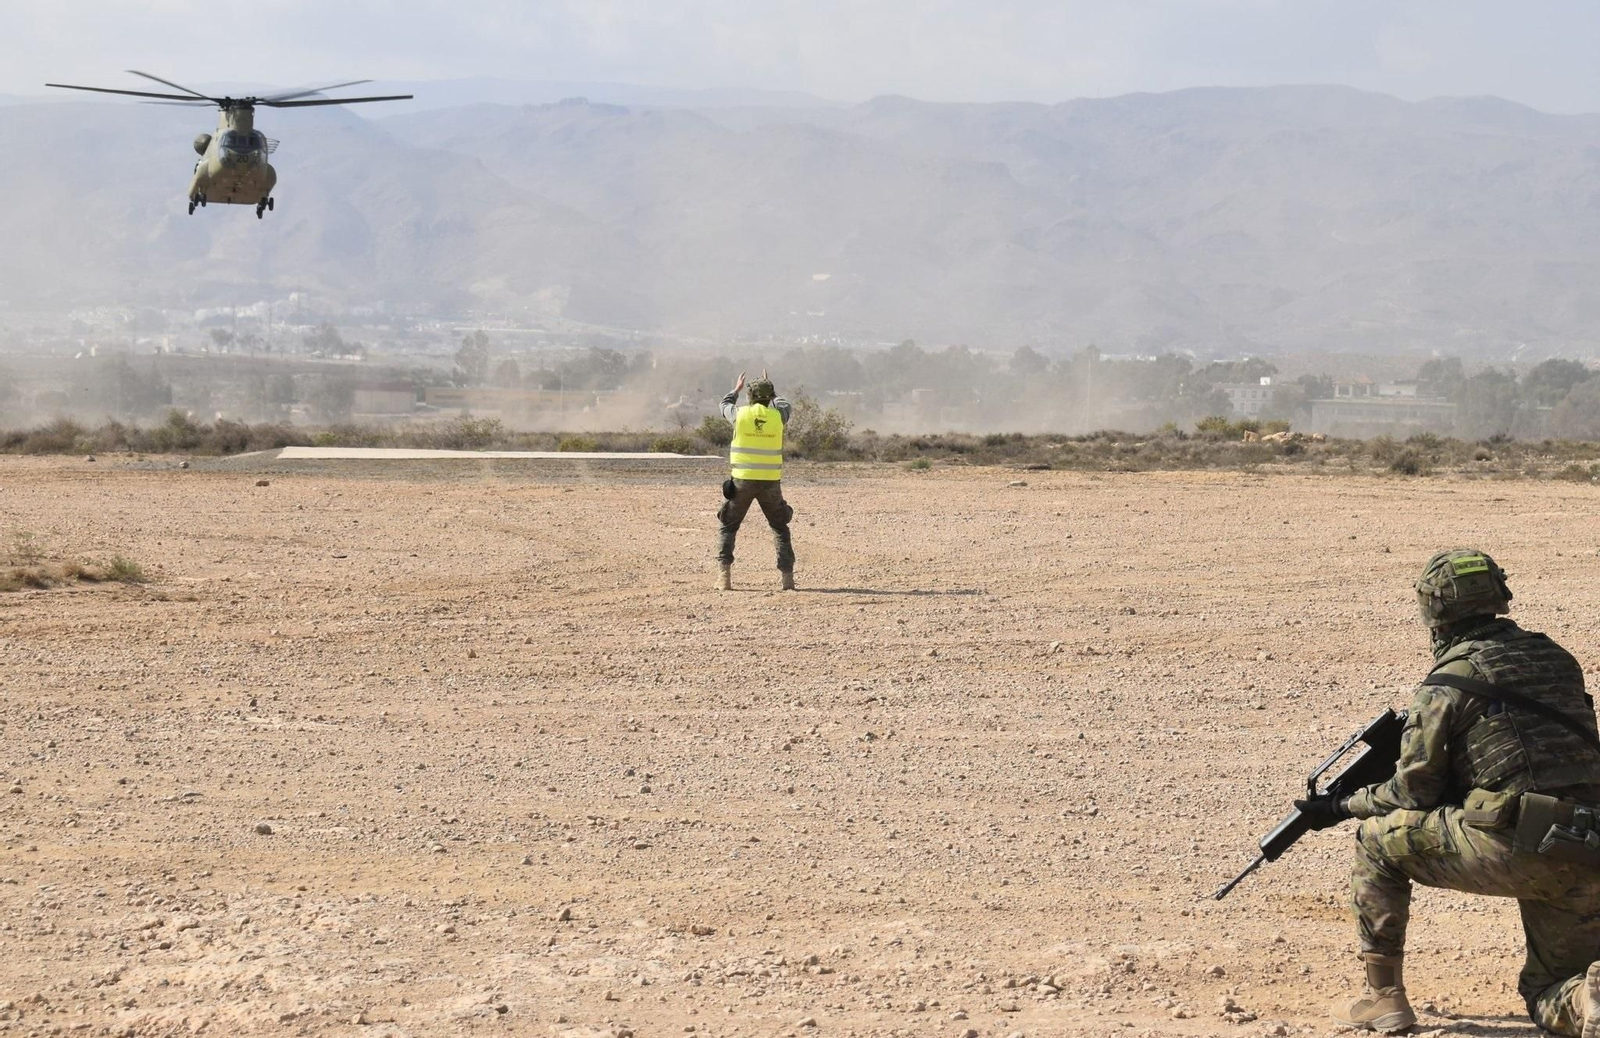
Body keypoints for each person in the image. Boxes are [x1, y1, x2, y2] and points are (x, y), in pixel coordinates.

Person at [1294, 549, 1600, 1035]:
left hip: (1518, 846)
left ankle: (1383, 998)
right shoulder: (1557, 659)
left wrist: (1340, 805)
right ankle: (1588, 999)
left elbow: (1412, 793)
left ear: (1433, 612)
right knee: (1550, 989)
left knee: (1376, 841)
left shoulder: (1447, 683)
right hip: (1588, 847)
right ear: (1500, 595)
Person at [715, 369, 795, 591]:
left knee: (729, 526)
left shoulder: (740, 415)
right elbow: (785, 404)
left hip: (742, 481)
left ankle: (724, 578)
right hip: (770, 481)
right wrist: (771, 387)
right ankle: (787, 579)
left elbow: (724, 405)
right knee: (780, 527)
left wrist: (736, 390)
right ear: (770, 397)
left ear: (749, 396)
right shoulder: (778, 416)